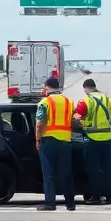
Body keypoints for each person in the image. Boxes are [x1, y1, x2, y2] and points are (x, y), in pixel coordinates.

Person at [74, 77, 111, 206]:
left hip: (92, 139)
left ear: (86, 88)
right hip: (107, 139)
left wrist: (82, 125)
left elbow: (77, 117)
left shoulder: (86, 100)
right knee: (108, 169)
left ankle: (96, 197)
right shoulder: (107, 99)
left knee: (93, 169)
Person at [34, 76, 76, 211]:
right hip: (65, 141)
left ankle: (50, 203)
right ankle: (70, 203)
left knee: (49, 173)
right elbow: (74, 121)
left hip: (49, 141)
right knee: (66, 174)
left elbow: (40, 123)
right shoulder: (69, 102)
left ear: (47, 87)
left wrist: (38, 139)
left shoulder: (45, 102)